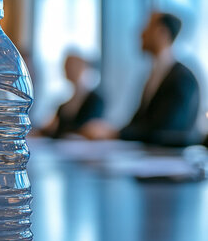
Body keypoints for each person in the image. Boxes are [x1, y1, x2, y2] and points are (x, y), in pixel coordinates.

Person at [83, 12, 199, 146]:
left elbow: (167, 130)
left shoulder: (182, 78)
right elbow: (140, 122)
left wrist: (115, 133)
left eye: (148, 27)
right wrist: (109, 130)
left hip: (170, 162)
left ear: (162, 33)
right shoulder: (154, 74)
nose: (140, 33)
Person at [41, 54, 104, 138]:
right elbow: (57, 131)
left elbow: (93, 131)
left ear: (84, 68)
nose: (70, 70)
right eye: (67, 66)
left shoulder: (95, 101)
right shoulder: (63, 105)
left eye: (74, 66)